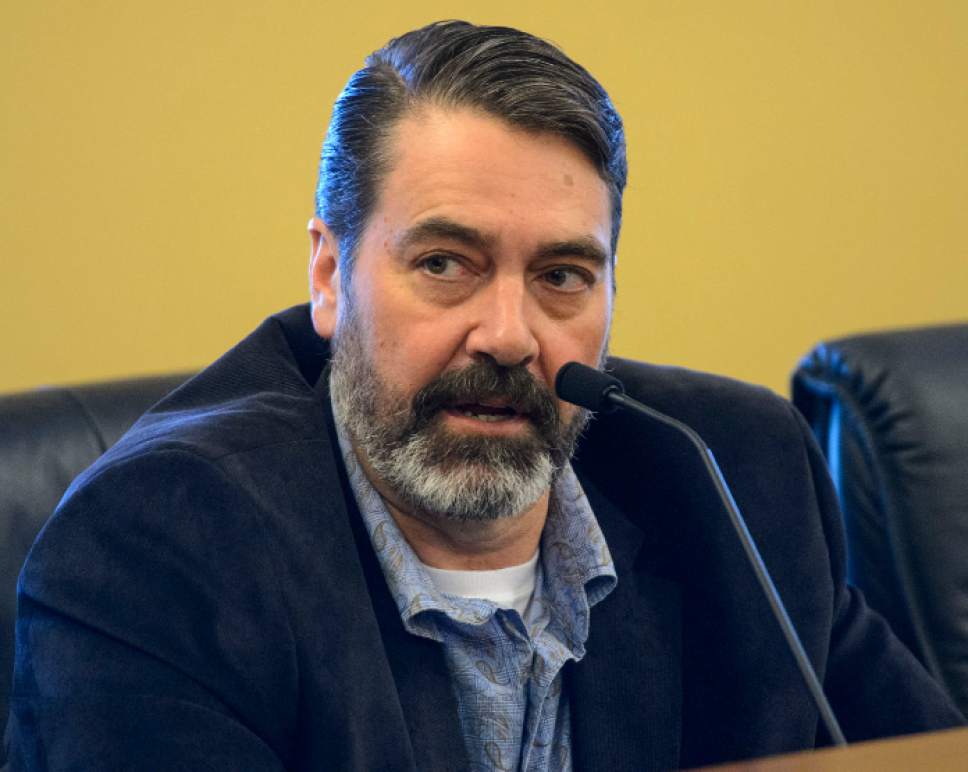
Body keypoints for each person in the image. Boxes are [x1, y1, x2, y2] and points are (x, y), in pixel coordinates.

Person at [5, 20, 963, 772]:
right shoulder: (160, 547)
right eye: (445, 263)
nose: (509, 335)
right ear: (331, 276)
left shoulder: (733, 477)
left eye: (562, 276)